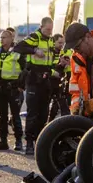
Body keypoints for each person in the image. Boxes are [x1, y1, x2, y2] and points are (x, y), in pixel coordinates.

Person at [13, 17, 55, 155]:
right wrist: (34, 50)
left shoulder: (50, 39)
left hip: (45, 80)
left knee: (44, 114)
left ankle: (39, 141)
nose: (50, 32)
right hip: (33, 80)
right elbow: (18, 47)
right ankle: (29, 143)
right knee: (32, 113)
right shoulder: (35, 37)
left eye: (51, 29)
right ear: (41, 27)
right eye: (47, 29)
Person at [0, 30, 26, 151]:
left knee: (15, 116)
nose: (1, 40)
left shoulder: (17, 52)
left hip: (13, 88)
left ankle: (18, 141)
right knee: (2, 116)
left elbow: (25, 70)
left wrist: (21, 86)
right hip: (0, 88)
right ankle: (3, 141)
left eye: (4, 37)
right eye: (0, 37)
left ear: (10, 39)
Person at [48, 33, 70, 121]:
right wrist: (59, 67)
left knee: (62, 106)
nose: (62, 45)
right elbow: (48, 69)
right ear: (54, 42)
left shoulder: (62, 53)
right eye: (59, 43)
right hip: (49, 84)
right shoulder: (49, 53)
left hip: (59, 84)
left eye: (63, 43)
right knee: (46, 107)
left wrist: (63, 64)